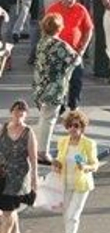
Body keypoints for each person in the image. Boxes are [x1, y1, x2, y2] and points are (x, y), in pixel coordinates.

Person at [52, 109, 99, 233]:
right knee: (67, 217)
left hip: (82, 184)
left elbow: (95, 164)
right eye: (70, 125)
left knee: (73, 216)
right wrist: (56, 164)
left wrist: (85, 167)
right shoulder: (62, 142)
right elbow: (60, 160)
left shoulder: (89, 143)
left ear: (82, 127)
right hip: (65, 183)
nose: (73, 128)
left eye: (77, 126)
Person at [32, 13, 75, 161]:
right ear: (60, 28)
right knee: (49, 118)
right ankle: (42, 152)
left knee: (43, 117)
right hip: (54, 87)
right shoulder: (60, 45)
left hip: (40, 84)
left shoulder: (42, 42)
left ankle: (38, 148)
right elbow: (75, 60)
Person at [0, 100, 39, 233]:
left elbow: (33, 158)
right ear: (11, 112)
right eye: (17, 111)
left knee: (8, 210)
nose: (19, 115)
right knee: (9, 209)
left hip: (18, 177)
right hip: (2, 174)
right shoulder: (3, 129)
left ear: (26, 115)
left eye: (22, 112)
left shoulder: (28, 132)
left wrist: (34, 179)